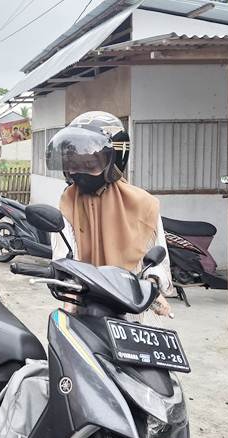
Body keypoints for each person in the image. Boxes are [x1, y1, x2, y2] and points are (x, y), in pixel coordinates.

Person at [47, 111, 173, 318]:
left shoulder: (143, 203)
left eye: (90, 164)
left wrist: (152, 286)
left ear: (114, 160)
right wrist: (70, 296)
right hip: (84, 300)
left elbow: (158, 257)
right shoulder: (67, 202)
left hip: (132, 304)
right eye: (74, 164)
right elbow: (64, 254)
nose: (79, 172)